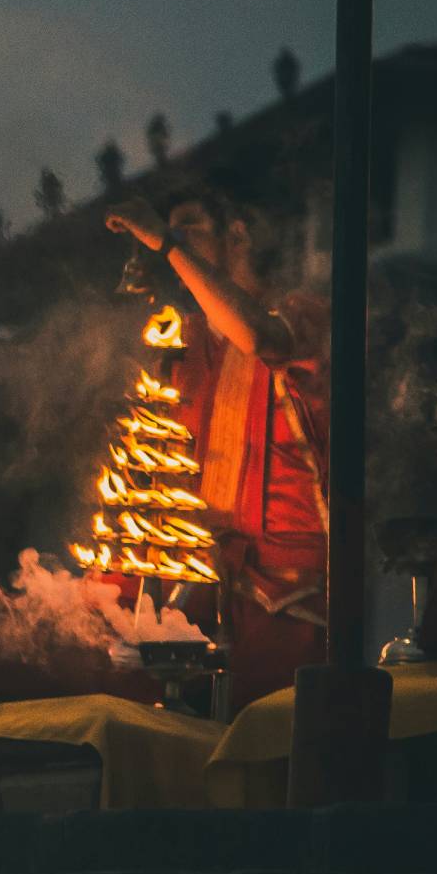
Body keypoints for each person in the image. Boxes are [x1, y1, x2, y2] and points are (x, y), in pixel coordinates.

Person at [105, 193, 329, 707]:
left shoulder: (302, 314)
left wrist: (166, 241)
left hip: (288, 602)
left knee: (271, 748)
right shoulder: (185, 340)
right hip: (199, 594)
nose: (169, 243)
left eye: (191, 226)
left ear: (239, 236)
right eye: (174, 230)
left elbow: (257, 336)